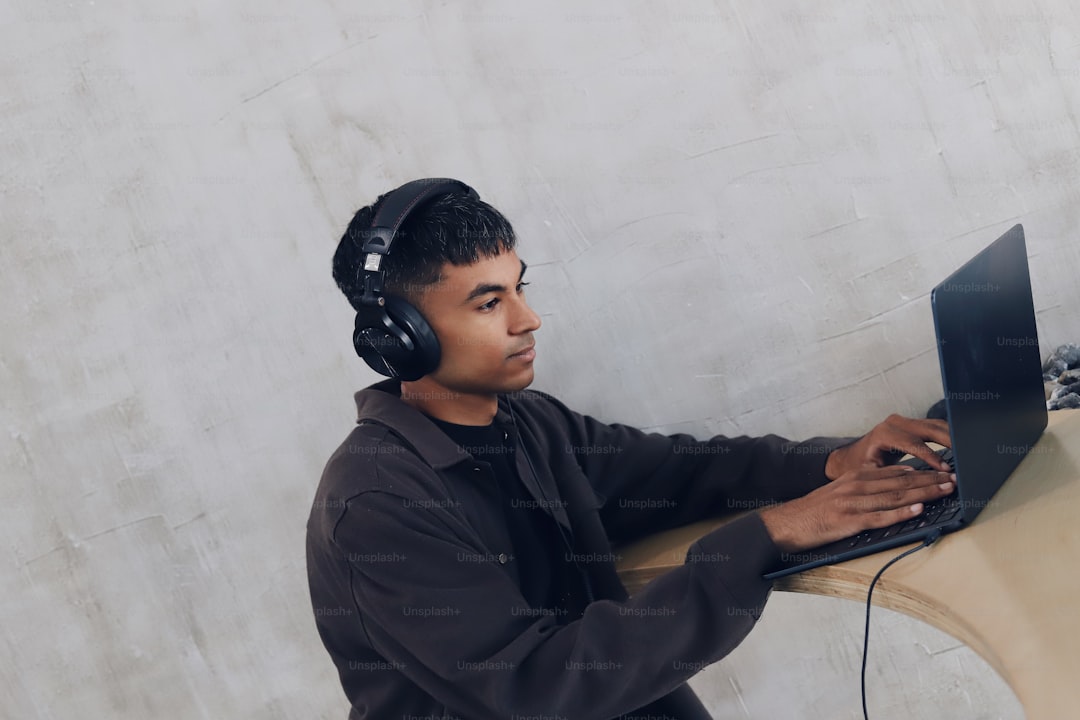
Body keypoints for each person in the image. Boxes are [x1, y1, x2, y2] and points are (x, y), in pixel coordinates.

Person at [305, 180, 956, 720]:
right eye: (487, 303)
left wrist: (827, 463)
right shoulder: (376, 503)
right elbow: (536, 687)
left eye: (520, 288)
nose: (527, 320)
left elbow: (676, 472)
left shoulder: (528, 424)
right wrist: (769, 535)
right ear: (401, 339)